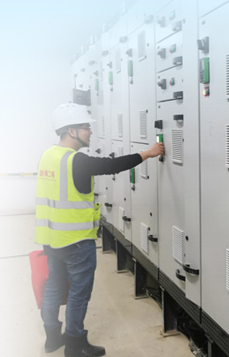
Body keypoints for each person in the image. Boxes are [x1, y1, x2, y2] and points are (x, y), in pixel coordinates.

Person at [35, 103, 164, 356]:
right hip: (75, 241)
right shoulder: (76, 160)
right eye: (86, 127)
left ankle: (52, 338)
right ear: (71, 131)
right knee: (79, 293)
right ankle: (75, 344)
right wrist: (147, 153)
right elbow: (111, 166)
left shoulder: (48, 155)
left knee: (54, 286)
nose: (90, 132)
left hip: (51, 238)